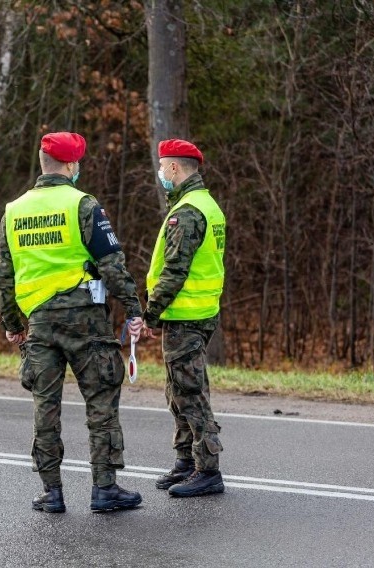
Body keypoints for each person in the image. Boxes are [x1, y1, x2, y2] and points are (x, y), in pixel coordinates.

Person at [0, 131, 144, 513]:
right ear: (71, 165)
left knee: (46, 406)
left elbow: (2, 276)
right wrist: (133, 308)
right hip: (85, 320)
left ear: (43, 165)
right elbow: (112, 263)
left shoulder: (14, 210)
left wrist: (13, 322)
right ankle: (105, 488)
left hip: (39, 322)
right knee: (101, 400)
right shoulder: (83, 205)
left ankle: (51, 491)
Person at [142, 138, 227, 498]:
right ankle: (186, 462)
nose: (161, 173)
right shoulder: (205, 205)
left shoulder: (188, 212)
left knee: (190, 392)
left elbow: (174, 271)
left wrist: (150, 312)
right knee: (177, 389)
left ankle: (207, 470)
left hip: (185, 314)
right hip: (198, 311)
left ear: (174, 168)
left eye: (163, 167)